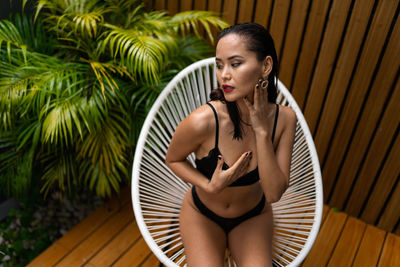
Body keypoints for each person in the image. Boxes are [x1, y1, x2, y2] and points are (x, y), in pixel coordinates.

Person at [165, 23, 297, 267]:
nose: (224, 74)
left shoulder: (284, 120)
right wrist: (209, 185)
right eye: (219, 65)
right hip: (202, 214)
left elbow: (273, 193)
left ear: (265, 66)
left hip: (252, 217)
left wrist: (260, 131)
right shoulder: (203, 121)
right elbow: (173, 158)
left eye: (235, 64)